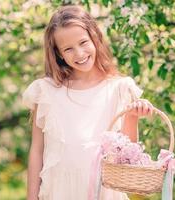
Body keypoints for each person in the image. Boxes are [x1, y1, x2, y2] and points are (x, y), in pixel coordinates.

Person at [22, 5, 155, 200]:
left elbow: (126, 155)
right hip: (59, 191)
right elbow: (37, 150)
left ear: (95, 37)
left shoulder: (118, 88)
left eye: (83, 42)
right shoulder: (47, 91)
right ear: (59, 54)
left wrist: (132, 117)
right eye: (68, 49)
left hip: (104, 191)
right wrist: (31, 197)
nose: (79, 53)